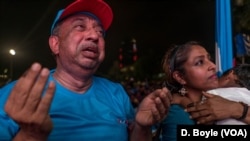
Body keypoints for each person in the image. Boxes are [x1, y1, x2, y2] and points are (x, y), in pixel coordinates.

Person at [0, 0, 172, 140]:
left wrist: (142, 127)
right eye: (80, 27)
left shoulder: (116, 93)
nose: (94, 36)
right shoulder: (16, 95)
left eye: (100, 31)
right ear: (55, 44)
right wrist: (31, 136)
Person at [159, 41, 219, 141]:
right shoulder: (177, 114)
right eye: (199, 62)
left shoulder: (215, 102)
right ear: (180, 77)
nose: (213, 65)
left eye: (210, 59)